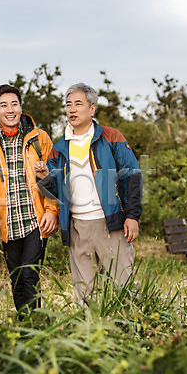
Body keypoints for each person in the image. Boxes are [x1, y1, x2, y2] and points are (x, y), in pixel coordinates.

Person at [35, 82, 142, 305]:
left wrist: (132, 216)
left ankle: (132, 332)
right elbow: (53, 191)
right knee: (85, 292)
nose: (72, 110)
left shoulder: (112, 137)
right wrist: (44, 176)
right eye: (68, 105)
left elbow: (131, 176)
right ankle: (92, 333)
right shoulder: (59, 147)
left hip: (110, 224)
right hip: (76, 228)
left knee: (125, 287)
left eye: (78, 104)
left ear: (92, 109)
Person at [0, 84, 58, 317]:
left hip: (36, 220)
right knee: (17, 278)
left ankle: (34, 329)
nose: (10, 110)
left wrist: (52, 210)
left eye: (14, 104)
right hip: (7, 224)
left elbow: (55, 176)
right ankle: (25, 328)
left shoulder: (40, 140)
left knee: (30, 274)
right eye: (3, 105)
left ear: (21, 107)